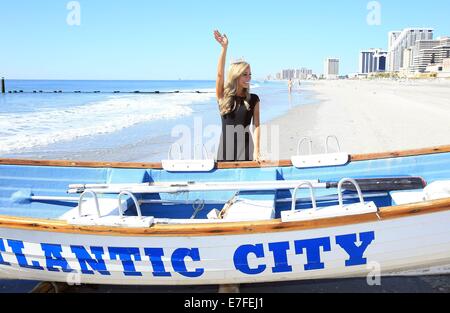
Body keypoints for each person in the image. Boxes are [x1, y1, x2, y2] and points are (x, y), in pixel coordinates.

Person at [214, 30, 261, 162]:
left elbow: (256, 126)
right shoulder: (223, 96)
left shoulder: (253, 99)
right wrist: (224, 48)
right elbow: (219, 75)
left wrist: (257, 151)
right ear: (236, 75)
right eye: (245, 75)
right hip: (224, 154)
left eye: (250, 74)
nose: (249, 78)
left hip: (246, 152)